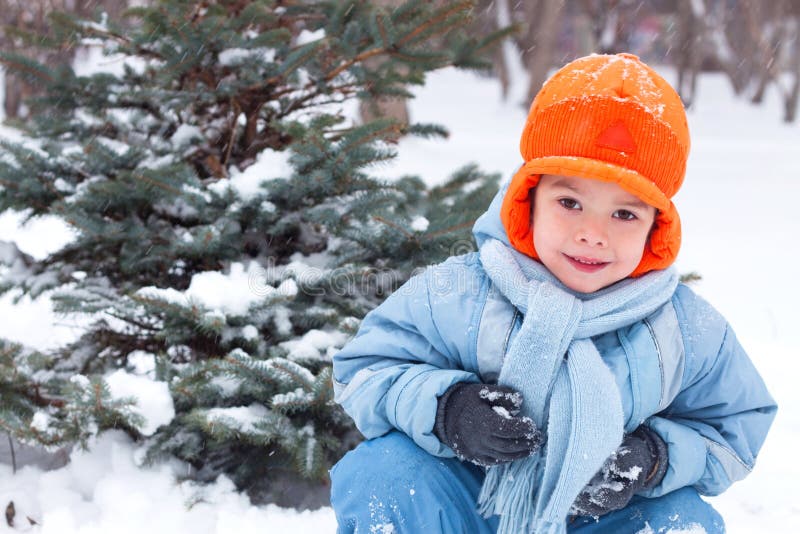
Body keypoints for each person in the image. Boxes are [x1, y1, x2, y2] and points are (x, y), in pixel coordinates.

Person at [329, 53, 777, 533]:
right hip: (466, 506)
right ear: (528, 201)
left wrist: (653, 458)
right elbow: (365, 371)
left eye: (624, 214)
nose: (592, 233)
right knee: (386, 473)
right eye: (570, 202)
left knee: (678, 521)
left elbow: (734, 428)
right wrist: (447, 410)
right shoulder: (459, 293)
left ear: (655, 229)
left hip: (595, 519)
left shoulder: (682, 328)